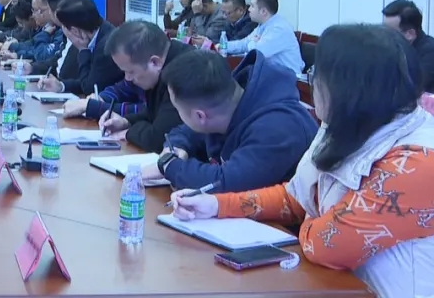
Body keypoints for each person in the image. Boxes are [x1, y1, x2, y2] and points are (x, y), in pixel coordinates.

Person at [170, 24, 434, 298]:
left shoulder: (417, 162)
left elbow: (328, 246)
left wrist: (315, 218)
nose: (312, 81)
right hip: (337, 287)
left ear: (350, 90)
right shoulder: (344, 125)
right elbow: (297, 197)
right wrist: (216, 205)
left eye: (317, 74)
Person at [141, 50, 318, 192]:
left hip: (288, 224)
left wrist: (170, 167)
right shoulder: (228, 102)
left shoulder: (278, 128)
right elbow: (186, 131)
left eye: (178, 110)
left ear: (201, 116)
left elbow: (226, 183)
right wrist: (175, 147)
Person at [99, 20, 192, 152]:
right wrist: (126, 121)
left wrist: (128, 133)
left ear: (154, 62)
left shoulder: (184, 74)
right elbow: (156, 113)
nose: (127, 78)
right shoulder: (166, 60)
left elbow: (159, 139)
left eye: (131, 72)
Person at [40, 0, 123, 97]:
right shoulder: (100, 31)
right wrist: (61, 86)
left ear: (75, 31)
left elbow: (90, 88)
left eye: (63, 27)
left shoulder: (105, 47)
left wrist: (83, 50)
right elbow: (89, 80)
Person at [221, 0, 303, 74]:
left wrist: (252, 42)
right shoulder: (263, 25)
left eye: (252, 6)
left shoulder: (278, 29)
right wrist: (222, 46)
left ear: (263, 11)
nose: (249, 9)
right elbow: (244, 43)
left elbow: (256, 53)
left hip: (288, 78)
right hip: (271, 75)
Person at [382, 0, 434, 92]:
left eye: (390, 32)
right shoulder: (390, 48)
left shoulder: (430, 52)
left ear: (410, 34)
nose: (384, 35)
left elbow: (412, 87)